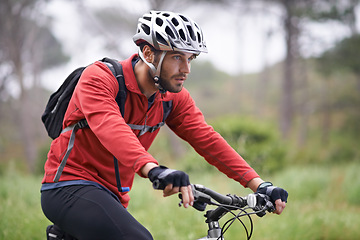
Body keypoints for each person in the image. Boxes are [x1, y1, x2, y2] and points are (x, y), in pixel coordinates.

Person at [41, 10, 288, 240]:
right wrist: (154, 169)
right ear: (148, 54)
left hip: (113, 197)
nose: (186, 69)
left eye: (191, 58)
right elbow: (110, 127)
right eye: (177, 57)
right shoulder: (100, 79)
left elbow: (208, 140)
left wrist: (259, 184)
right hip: (68, 185)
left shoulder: (172, 98)